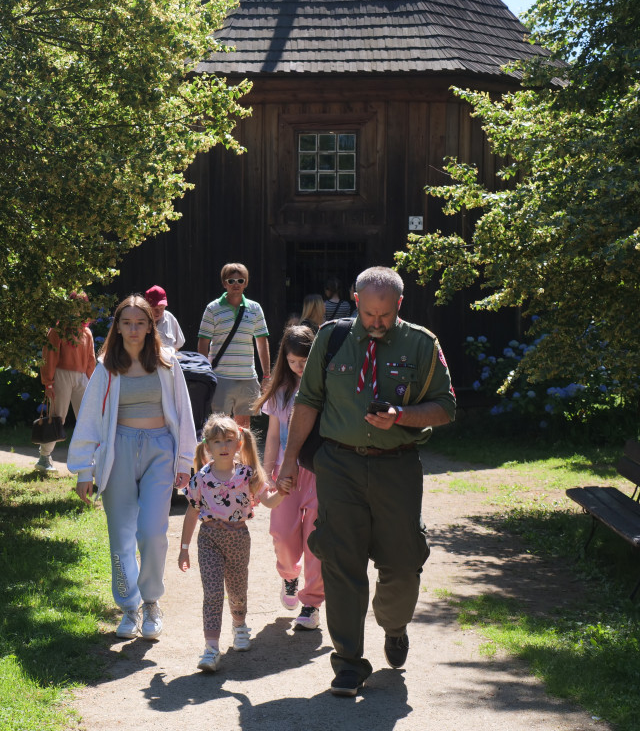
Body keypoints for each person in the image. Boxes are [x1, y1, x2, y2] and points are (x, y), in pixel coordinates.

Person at [277, 266, 456, 696]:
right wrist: (287, 462)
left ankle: (394, 626)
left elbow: (446, 407)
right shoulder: (332, 339)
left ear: (399, 304)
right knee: (341, 561)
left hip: (397, 466)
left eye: (385, 315)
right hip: (339, 465)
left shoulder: (421, 344)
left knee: (401, 562)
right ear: (356, 301)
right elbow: (308, 401)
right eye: (369, 314)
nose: (376, 324)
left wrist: (402, 416)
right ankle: (348, 662)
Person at [69, 295, 196, 642]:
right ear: (118, 326)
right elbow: (91, 418)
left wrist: (185, 460)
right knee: (121, 537)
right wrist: (84, 469)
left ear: (151, 325)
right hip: (118, 452)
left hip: (159, 451)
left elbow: (184, 413)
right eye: (127, 322)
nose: (134, 329)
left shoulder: (168, 363)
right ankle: (129, 607)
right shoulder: (107, 366)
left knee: (153, 533)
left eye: (140, 322)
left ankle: (152, 601)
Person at [178, 414, 284, 673]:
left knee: (237, 590)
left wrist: (284, 490)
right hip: (209, 539)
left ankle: (239, 626)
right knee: (212, 593)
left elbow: (269, 502)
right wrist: (184, 549)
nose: (223, 446)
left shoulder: (247, 475)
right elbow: (192, 512)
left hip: (238, 538)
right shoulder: (201, 479)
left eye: (228, 440)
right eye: (217, 442)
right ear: (208, 447)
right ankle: (211, 648)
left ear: (239, 444)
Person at [255, 325, 323, 630]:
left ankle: (312, 604)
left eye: (305, 361)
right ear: (285, 358)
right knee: (282, 535)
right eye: (294, 361)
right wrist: (265, 477)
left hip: (320, 474)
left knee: (317, 541)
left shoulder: (326, 388)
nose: (299, 367)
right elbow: (272, 437)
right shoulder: (280, 391)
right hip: (284, 474)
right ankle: (289, 577)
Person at [197, 263, 271, 429]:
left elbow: (261, 341)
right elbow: (203, 342)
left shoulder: (255, 308)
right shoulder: (212, 308)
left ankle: (242, 456)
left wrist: (266, 375)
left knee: (243, 429)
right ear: (224, 283)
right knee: (219, 427)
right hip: (221, 376)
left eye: (240, 280)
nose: (236, 284)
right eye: (231, 280)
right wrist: (204, 372)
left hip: (247, 377)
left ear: (246, 283)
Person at [36, 293, 97, 474]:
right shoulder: (57, 331)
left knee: (86, 417)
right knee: (57, 417)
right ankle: (44, 457)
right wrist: (48, 383)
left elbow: (91, 361)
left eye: (82, 305)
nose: (78, 309)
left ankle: (88, 459)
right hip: (61, 375)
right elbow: (49, 357)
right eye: (75, 305)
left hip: (81, 378)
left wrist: (93, 383)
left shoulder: (86, 332)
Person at [145, 285, 186, 351]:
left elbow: (178, 345)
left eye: (161, 308)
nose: (158, 312)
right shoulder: (140, 320)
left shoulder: (169, 317)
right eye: (155, 308)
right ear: (146, 306)